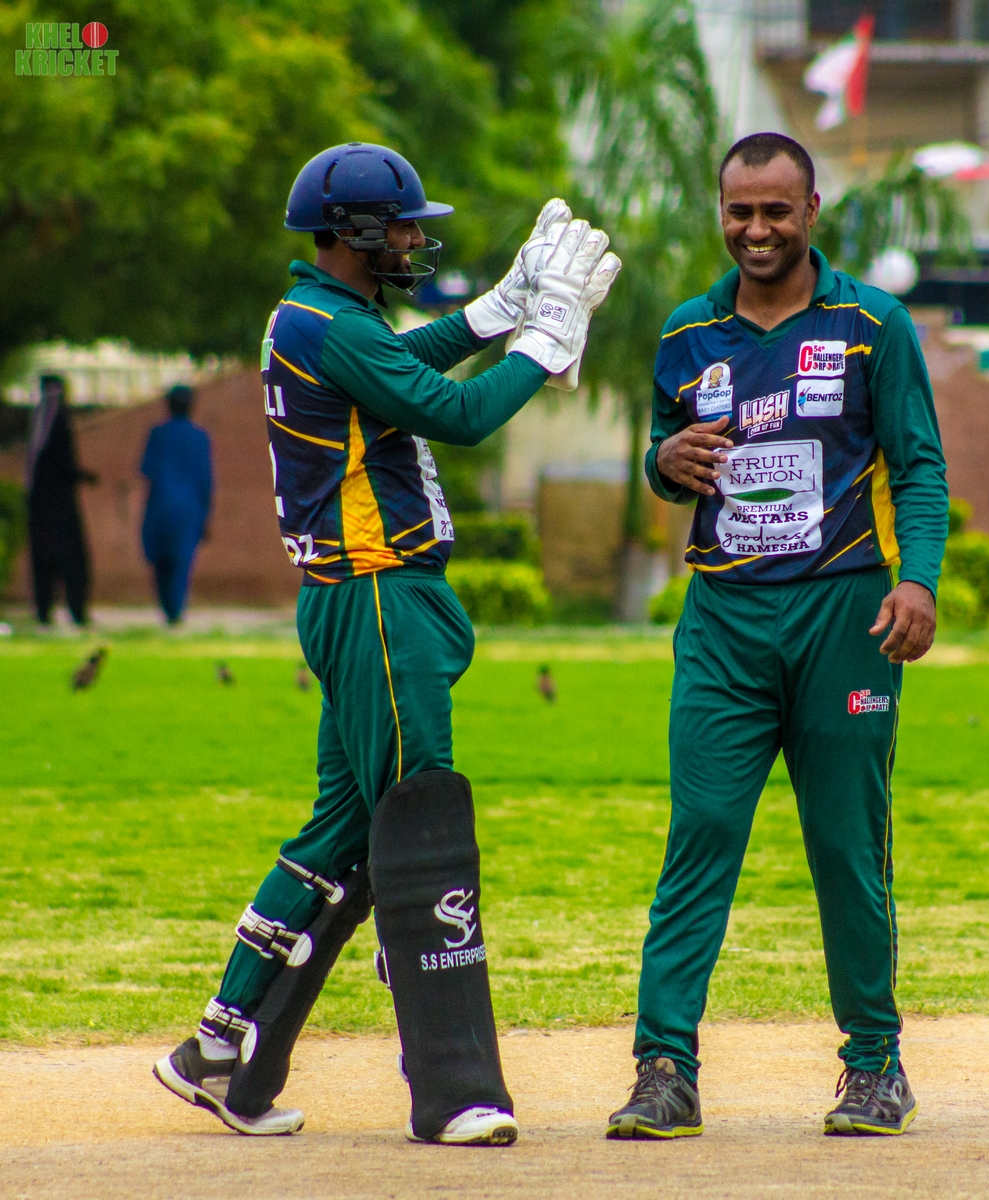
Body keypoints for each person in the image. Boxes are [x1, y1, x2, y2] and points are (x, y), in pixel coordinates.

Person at [153, 142, 619, 1142]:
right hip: (375, 596)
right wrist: (542, 338)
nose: (413, 238)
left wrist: (495, 313)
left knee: (341, 833)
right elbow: (458, 413)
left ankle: (220, 1047)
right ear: (355, 231)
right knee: (420, 829)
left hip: (358, 598)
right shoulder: (332, 326)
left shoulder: (324, 317)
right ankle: (454, 1089)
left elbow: (406, 365)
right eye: (403, 225)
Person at [606, 132, 948, 1141]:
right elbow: (665, 458)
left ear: (811, 211)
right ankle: (665, 1070)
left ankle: (875, 1067)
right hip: (724, 623)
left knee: (847, 843)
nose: (756, 230)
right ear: (722, 212)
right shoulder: (686, 332)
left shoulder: (872, 325)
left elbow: (919, 467)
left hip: (846, 617)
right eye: (740, 211)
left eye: (775, 211)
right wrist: (665, 461)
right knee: (702, 834)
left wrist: (919, 580)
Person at [26, 374, 95, 626]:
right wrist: (83, 476)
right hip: (60, 511)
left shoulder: (40, 420)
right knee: (71, 561)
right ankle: (74, 611)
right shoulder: (57, 421)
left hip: (41, 508)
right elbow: (64, 463)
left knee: (44, 563)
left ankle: (46, 611)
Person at [140, 385, 212, 624]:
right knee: (182, 561)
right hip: (190, 508)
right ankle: (175, 610)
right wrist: (206, 515)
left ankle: (168, 608)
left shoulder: (158, 434)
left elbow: (147, 470)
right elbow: (205, 480)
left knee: (161, 559)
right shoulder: (200, 437)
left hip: (160, 504)